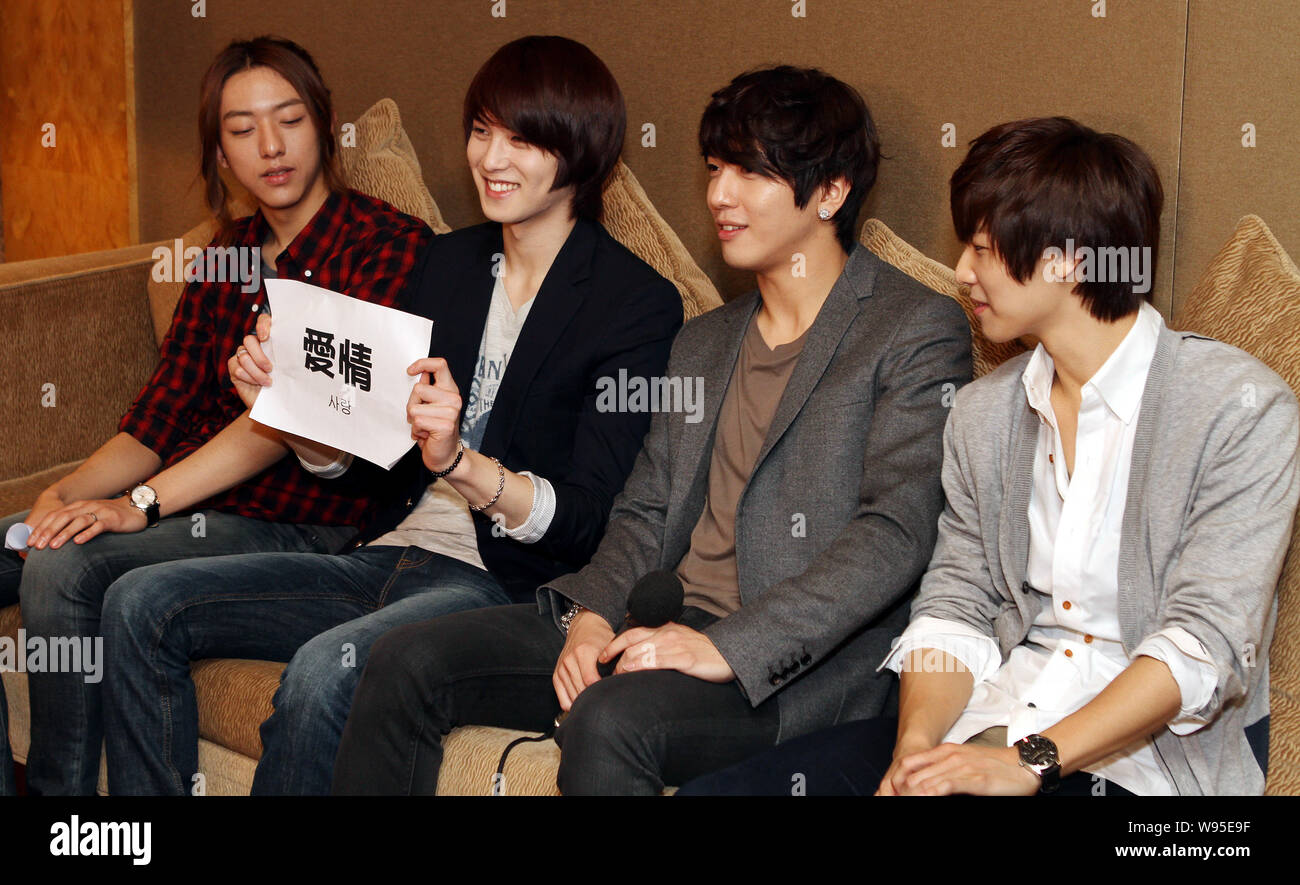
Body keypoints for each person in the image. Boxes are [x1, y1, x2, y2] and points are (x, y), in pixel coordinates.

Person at [331, 65, 973, 796]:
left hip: (787, 666)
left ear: (831, 192)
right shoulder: (705, 340)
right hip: (654, 617)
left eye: (754, 173)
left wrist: (725, 647)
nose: (721, 194)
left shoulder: (912, 328)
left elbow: (895, 532)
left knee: (609, 718)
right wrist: (590, 617)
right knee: (402, 659)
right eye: (717, 167)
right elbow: (641, 510)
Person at [100, 35, 683, 796]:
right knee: (137, 601)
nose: (491, 159)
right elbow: (368, 455)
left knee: (323, 672)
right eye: (482, 131)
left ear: (581, 151)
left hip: (499, 582)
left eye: (523, 138)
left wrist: (462, 464)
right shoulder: (449, 263)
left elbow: (589, 518)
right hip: (384, 548)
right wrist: (287, 409)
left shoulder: (633, 304)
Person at [678, 117, 1300, 796]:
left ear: (1070, 259)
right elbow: (956, 600)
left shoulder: (1238, 408)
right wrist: (913, 747)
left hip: (1141, 767)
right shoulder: (986, 412)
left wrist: (1028, 759)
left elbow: (1202, 643)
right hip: (987, 719)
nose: (964, 273)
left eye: (980, 248)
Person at [0, 36, 429, 795]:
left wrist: (138, 505)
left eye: (289, 119)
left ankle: (63, 802)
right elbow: (154, 422)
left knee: (65, 567)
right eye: (241, 129)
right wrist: (63, 496)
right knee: (44, 538)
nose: (270, 146)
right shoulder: (225, 259)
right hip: (198, 507)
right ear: (222, 155)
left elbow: (279, 427)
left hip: (309, 523)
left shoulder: (387, 248)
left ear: (324, 127)